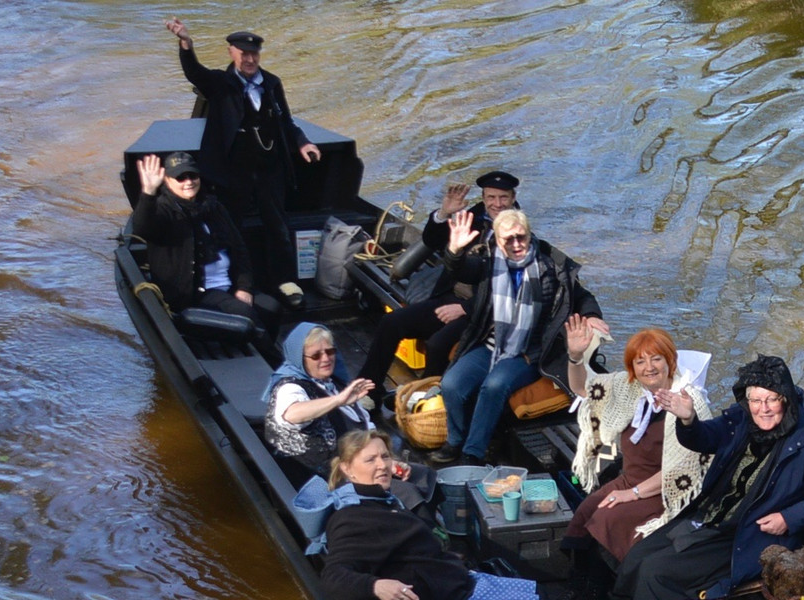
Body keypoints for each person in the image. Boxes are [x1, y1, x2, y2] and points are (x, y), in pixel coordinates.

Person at [611, 355, 804, 600]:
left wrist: (788, 517)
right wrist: (688, 419)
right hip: (711, 518)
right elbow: (705, 439)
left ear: (786, 400)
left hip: (747, 537)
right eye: (756, 400)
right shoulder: (741, 420)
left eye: (771, 399)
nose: (763, 408)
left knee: (655, 572)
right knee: (637, 557)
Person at [320, 430, 563, 600]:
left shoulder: (379, 497)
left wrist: (409, 471)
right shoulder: (353, 518)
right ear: (347, 468)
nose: (382, 465)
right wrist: (376, 586)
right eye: (370, 460)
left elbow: (428, 496)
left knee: (536, 591)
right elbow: (334, 577)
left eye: (385, 456)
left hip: (454, 583)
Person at [554, 318, 713, 600]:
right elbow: (581, 388)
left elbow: (682, 468)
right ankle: (578, 588)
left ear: (670, 361)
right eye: (639, 362)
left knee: (607, 519)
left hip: (667, 492)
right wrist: (575, 357)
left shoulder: (686, 400)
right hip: (631, 481)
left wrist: (632, 494)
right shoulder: (630, 390)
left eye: (656, 359)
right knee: (585, 513)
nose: (648, 367)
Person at [429, 208, 607, 465]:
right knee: (452, 384)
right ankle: (454, 441)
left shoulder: (550, 268)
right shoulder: (489, 264)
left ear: (529, 234)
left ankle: (473, 452)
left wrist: (591, 315)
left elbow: (582, 296)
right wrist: (455, 251)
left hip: (529, 353)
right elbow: (461, 271)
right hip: (490, 346)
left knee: (494, 386)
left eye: (520, 237)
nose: (515, 244)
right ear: (498, 242)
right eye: (508, 240)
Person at [164, 19, 320, 304]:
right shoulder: (220, 84)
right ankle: (238, 285)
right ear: (231, 53)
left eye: (254, 54)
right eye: (243, 53)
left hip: (268, 169)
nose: (249, 59)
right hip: (232, 172)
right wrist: (186, 43)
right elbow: (194, 72)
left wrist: (302, 142)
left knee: (278, 227)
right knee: (230, 228)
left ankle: (285, 282)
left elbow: (285, 121)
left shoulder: (271, 83)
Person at [354, 170, 523, 397]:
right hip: (450, 296)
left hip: (482, 311)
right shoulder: (476, 217)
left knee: (437, 344)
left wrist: (464, 308)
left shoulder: (519, 231)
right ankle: (368, 391)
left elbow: (512, 290)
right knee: (391, 322)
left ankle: (423, 397)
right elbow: (431, 241)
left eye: (503, 198)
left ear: (513, 198)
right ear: (483, 198)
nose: (497, 204)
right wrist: (444, 213)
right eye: (491, 197)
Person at [131, 151, 266, 328]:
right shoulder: (163, 211)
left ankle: (270, 348)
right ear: (167, 180)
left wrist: (244, 287)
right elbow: (143, 228)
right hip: (196, 293)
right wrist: (148, 192)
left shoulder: (213, 207)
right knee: (245, 314)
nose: (188, 182)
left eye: (192, 175)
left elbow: (239, 248)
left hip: (229, 285)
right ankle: (273, 355)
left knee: (272, 307)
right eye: (180, 178)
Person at [262, 323, 376, 479]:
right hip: (326, 478)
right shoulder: (289, 387)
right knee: (408, 491)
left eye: (330, 351)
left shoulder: (334, 381)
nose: (326, 359)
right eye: (316, 355)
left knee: (417, 473)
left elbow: (365, 424)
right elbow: (291, 414)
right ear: (300, 358)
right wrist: (338, 400)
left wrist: (388, 459)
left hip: (362, 464)